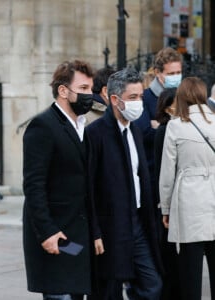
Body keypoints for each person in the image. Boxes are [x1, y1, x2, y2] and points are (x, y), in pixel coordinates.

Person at [86, 67, 163, 300]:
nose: (138, 103)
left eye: (140, 97)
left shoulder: (135, 131)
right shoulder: (95, 133)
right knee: (109, 290)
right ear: (114, 99)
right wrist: (95, 231)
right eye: (132, 98)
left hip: (138, 221)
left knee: (152, 284)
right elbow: (88, 186)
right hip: (111, 225)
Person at [22, 60, 95, 300]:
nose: (89, 95)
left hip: (76, 237)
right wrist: (47, 233)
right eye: (83, 89)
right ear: (63, 90)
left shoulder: (82, 125)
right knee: (59, 294)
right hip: (56, 235)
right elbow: (34, 186)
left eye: (90, 89)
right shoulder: (43, 126)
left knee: (74, 294)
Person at [159, 77, 215, 300]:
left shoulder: (175, 125)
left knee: (189, 276)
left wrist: (165, 208)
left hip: (188, 204)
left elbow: (167, 174)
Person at [135, 47, 182, 191]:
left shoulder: (185, 97)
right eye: (171, 73)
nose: (176, 76)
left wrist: (159, 126)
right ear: (157, 73)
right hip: (154, 173)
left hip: (181, 175)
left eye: (178, 73)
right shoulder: (145, 97)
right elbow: (145, 133)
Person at [154, 88, 181, 300]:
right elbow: (160, 169)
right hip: (165, 201)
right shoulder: (164, 130)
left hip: (174, 199)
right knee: (168, 254)